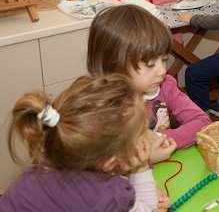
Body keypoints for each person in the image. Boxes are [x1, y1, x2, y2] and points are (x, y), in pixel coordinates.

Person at [0, 74, 169, 211]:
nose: (147, 136)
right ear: (110, 161)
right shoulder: (110, 197)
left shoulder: (43, 165)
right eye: (142, 133)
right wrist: (141, 168)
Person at [87, 5, 211, 155]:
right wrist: (147, 157)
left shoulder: (165, 85)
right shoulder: (101, 106)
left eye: (164, 60)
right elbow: (107, 162)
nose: (162, 71)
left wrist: (161, 139)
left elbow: (202, 122)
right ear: (114, 65)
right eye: (150, 64)